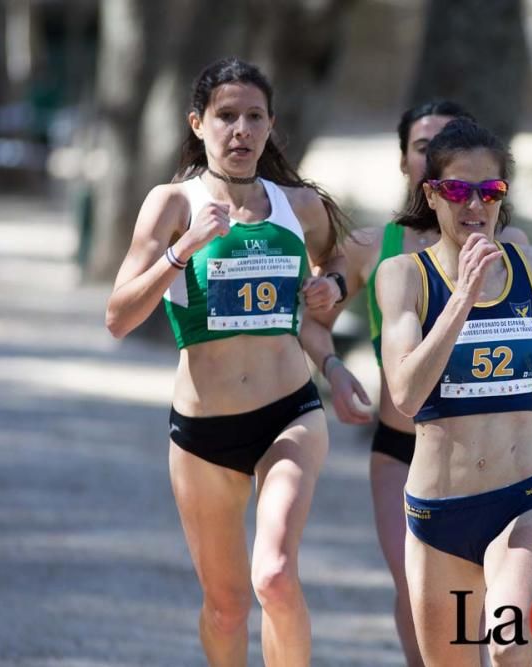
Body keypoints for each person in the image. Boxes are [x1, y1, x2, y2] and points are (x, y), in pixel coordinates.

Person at [105, 57, 348, 666]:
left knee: (274, 576)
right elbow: (117, 317)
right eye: (226, 116)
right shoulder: (171, 204)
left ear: (270, 126)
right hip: (203, 433)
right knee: (226, 605)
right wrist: (183, 251)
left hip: (289, 414)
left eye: (254, 117)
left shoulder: (302, 206)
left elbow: (345, 263)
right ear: (198, 124)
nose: (241, 130)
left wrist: (333, 290)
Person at [375, 118, 532, 666]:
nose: (475, 205)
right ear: (431, 195)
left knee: (507, 642)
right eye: (458, 189)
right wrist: (461, 299)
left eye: (491, 191)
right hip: (440, 516)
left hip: (525, 499)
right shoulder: (404, 277)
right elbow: (407, 394)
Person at [298, 101, 526, 666]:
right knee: (416, 589)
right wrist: (333, 368)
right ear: (407, 162)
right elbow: (311, 321)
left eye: (445, 145)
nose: (434, 156)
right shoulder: (375, 247)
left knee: (481, 607)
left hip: (489, 460)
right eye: (423, 146)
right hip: (403, 450)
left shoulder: (510, 245)